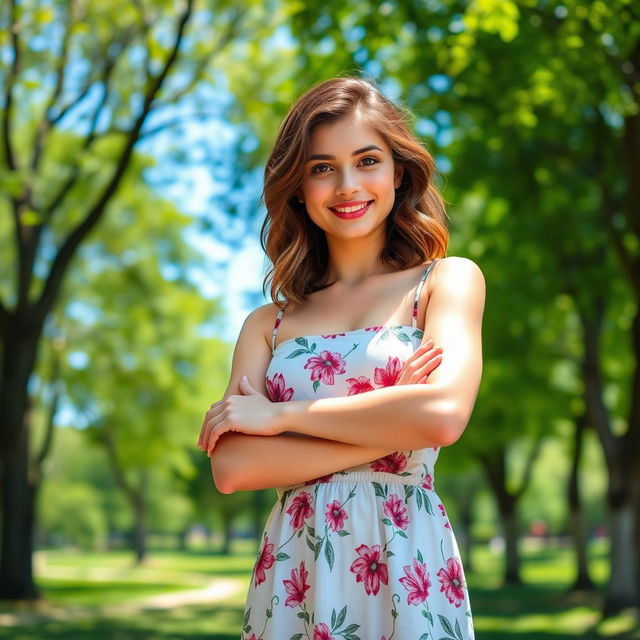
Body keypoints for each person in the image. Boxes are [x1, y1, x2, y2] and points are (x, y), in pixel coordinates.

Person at [197, 75, 485, 640]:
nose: (347, 185)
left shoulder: (446, 282)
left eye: (367, 160)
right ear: (298, 187)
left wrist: (279, 418)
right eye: (322, 167)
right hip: (295, 570)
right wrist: (395, 419)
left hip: (407, 563)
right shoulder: (268, 324)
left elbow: (443, 415)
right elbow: (234, 468)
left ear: (399, 173)